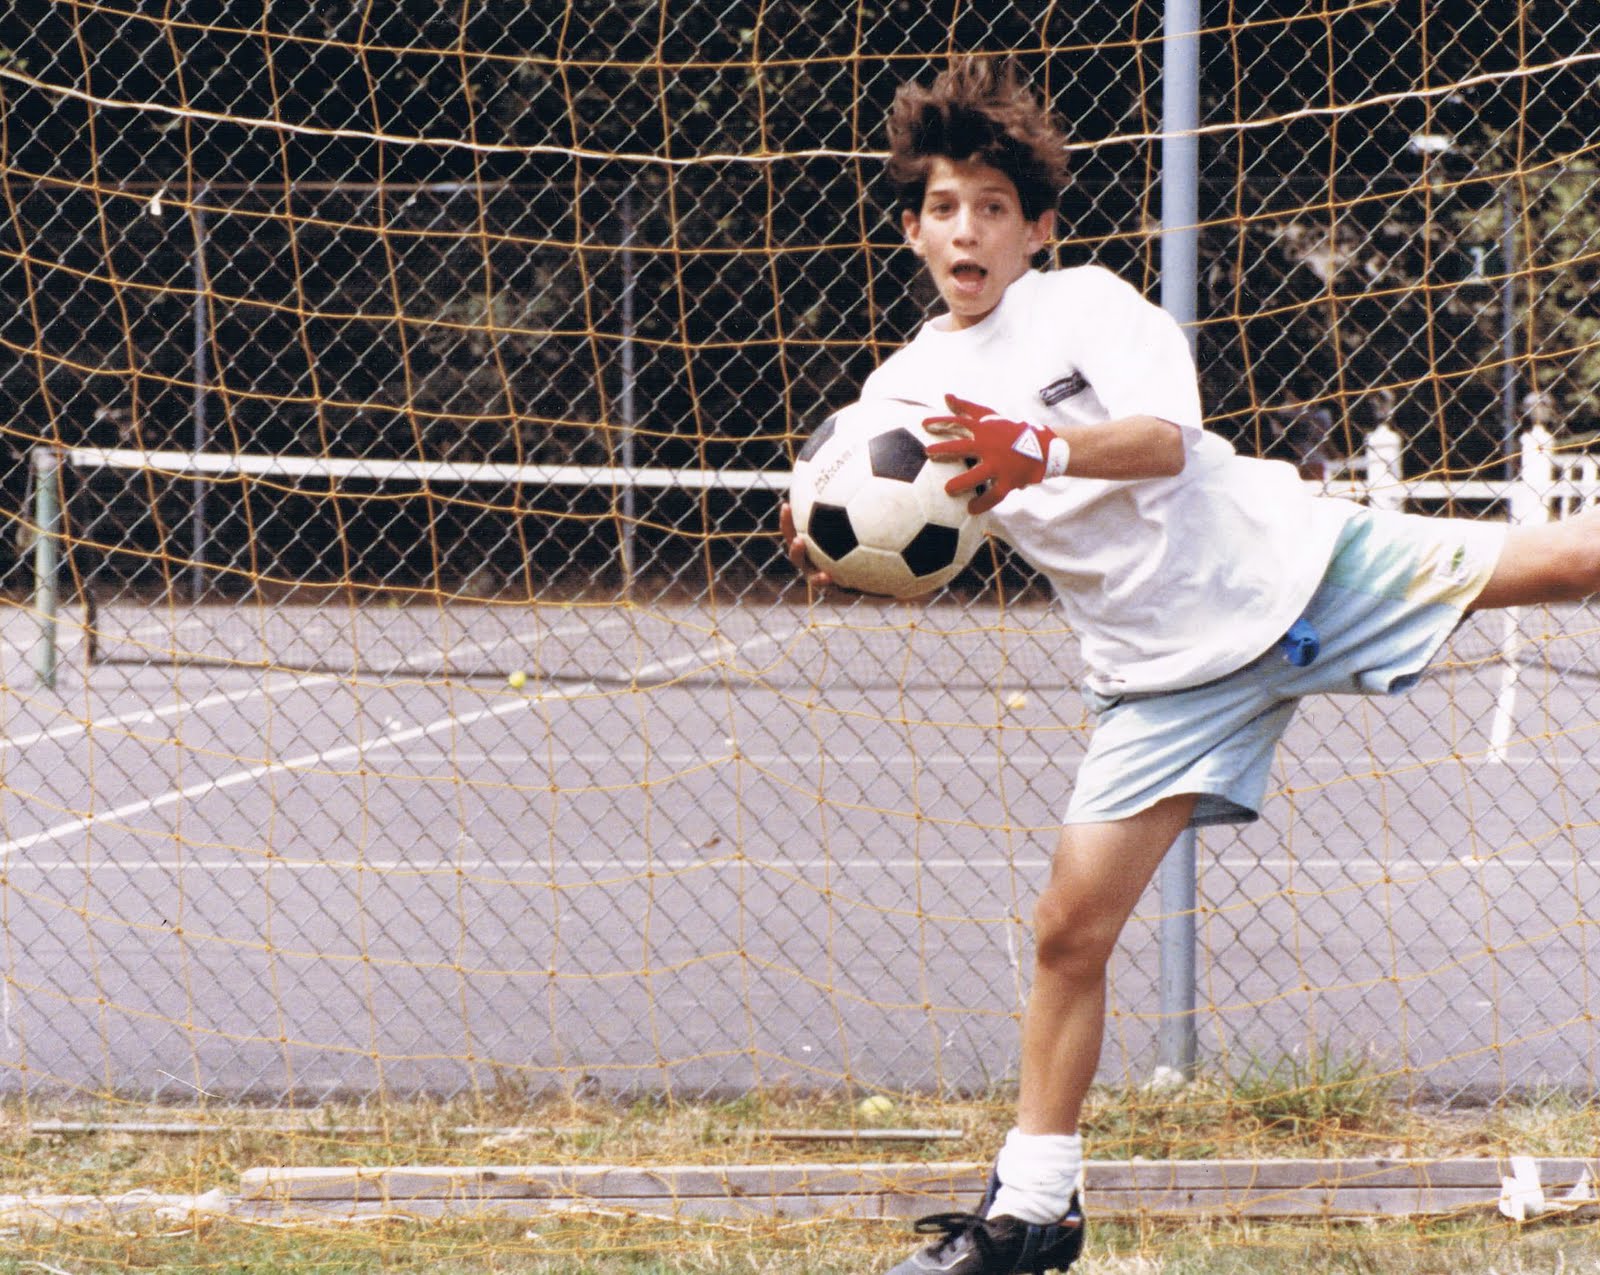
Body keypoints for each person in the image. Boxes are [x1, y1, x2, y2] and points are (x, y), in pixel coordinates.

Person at [779, 56, 1600, 1275]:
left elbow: (1165, 443)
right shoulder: (899, 396)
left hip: (1291, 569)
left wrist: (1038, 445)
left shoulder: (1088, 307)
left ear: (1035, 229)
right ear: (911, 228)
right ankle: (1032, 1214)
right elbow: (912, 531)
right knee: (1068, 930)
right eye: (943, 207)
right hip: (1162, 675)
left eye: (993, 208)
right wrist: (835, 546)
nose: (967, 230)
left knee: (1570, 561)